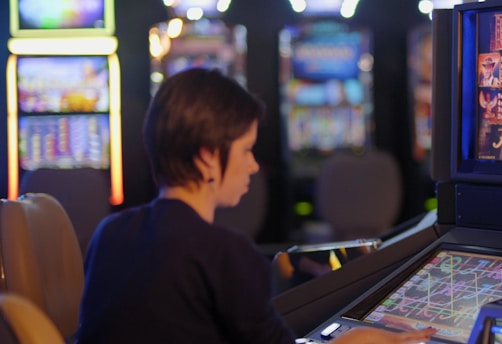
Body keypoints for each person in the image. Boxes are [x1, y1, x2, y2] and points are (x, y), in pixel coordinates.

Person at [76, 68, 437, 343]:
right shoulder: (224, 253)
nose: (252, 165)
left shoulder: (111, 233)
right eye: (246, 149)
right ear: (206, 157)